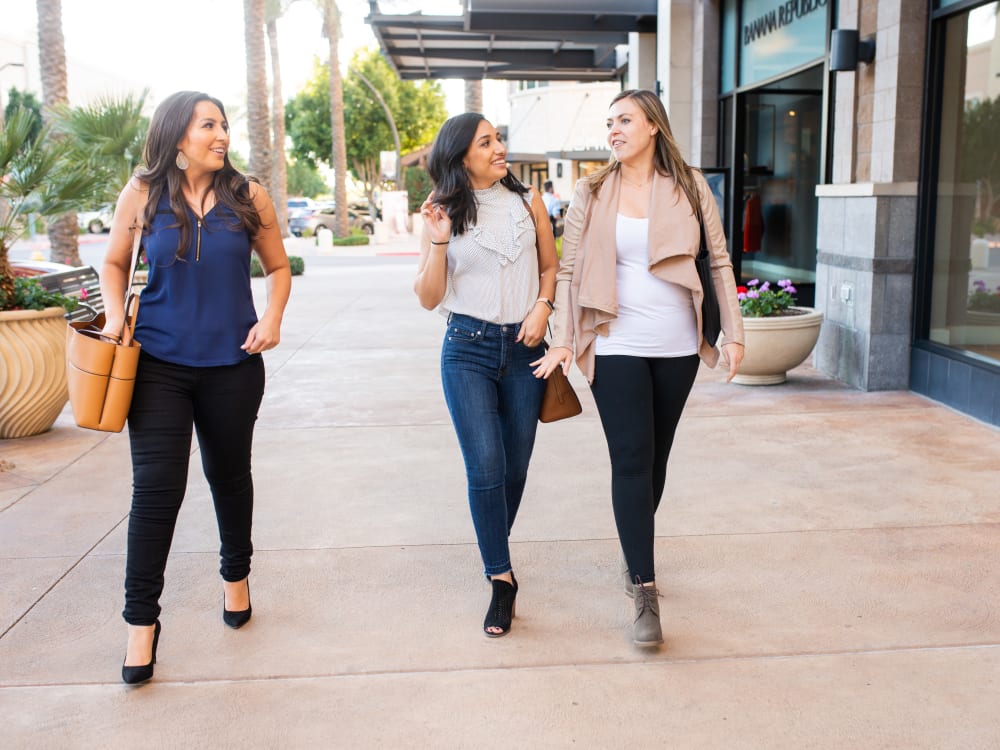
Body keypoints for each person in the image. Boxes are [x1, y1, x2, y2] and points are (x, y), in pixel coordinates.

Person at [533, 90, 745, 647]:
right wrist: (562, 340)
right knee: (630, 459)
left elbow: (719, 260)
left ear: (653, 126)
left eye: (624, 120)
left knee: (655, 461)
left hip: (677, 344)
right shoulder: (592, 189)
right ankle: (644, 591)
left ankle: (633, 549)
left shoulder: (692, 186)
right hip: (615, 340)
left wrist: (736, 333)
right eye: (609, 123)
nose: (614, 131)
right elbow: (572, 267)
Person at [100, 91, 291, 684]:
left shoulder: (248, 195)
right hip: (157, 362)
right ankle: (140, 626)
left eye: (224, 125)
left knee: (229, 477)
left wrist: (272, 319)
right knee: (156, 490)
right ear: (178, 136)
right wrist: (112, 317)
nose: (222, 134)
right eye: (209, 125)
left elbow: (278, 268)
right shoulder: (143, 193)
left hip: (234, 363)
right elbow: (112, 263)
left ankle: (236, 578)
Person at [414, 112, 558, 638]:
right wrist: (437, 241)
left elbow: (550, 266)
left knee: (514, 470)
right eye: (487, 142)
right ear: (461, 157)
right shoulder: (440, 212)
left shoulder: (528, 202)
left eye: (498, 139)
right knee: (486, 466)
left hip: (524, 349)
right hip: (467, 350)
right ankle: (501, 577)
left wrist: (543, 305)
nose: (500, 148)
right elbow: (430, 298)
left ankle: (493, 544)